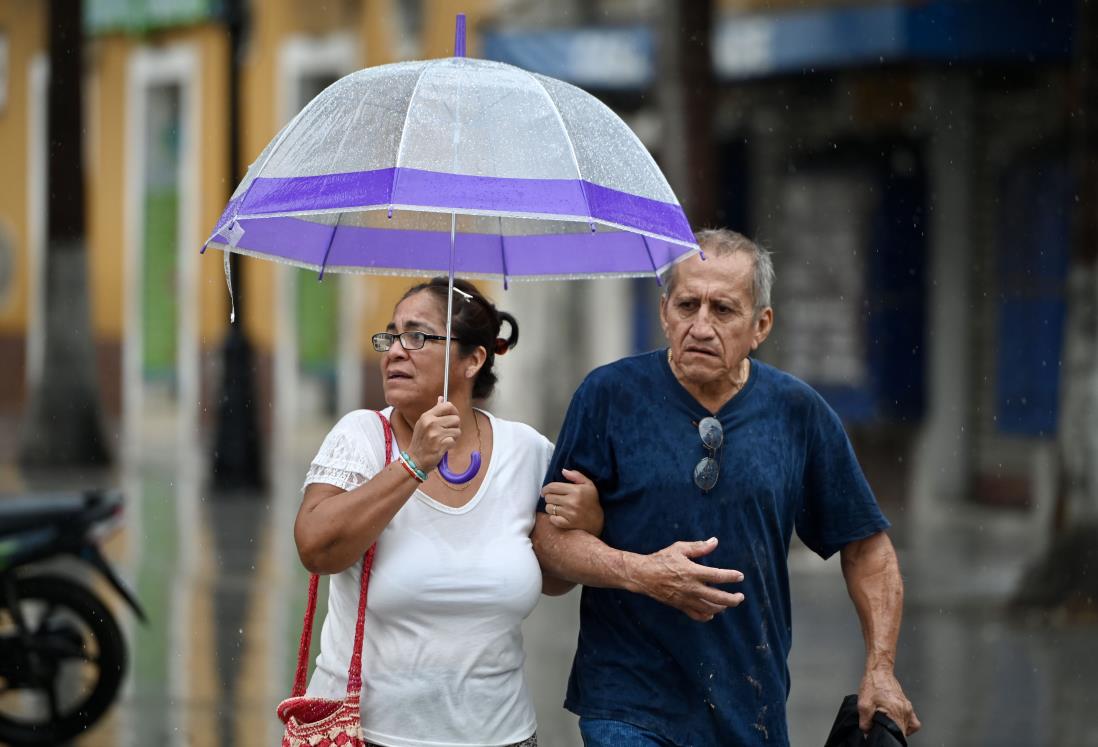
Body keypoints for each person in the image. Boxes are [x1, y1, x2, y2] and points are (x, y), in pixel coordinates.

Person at [533, 229, 920, 746]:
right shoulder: (608, 396)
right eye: (687, 305)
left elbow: (868, 548)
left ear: (761, 325)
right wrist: (641, 573)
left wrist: (881, 669)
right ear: (665, 310)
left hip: (750, 703)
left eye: (723, 310)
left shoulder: (797, 413)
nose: (700, 326)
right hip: (627, 700)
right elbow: (549, 544)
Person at [294, 277, 600, 747]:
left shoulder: (529, 453)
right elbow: (316, 549)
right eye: (391, 336)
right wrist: (412, 465)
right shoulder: (361, 438)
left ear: (473, 359)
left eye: (417, 336)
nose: (395, 351)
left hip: (503, 736)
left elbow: (555, 580)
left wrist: (588, 520)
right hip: (369, 735)